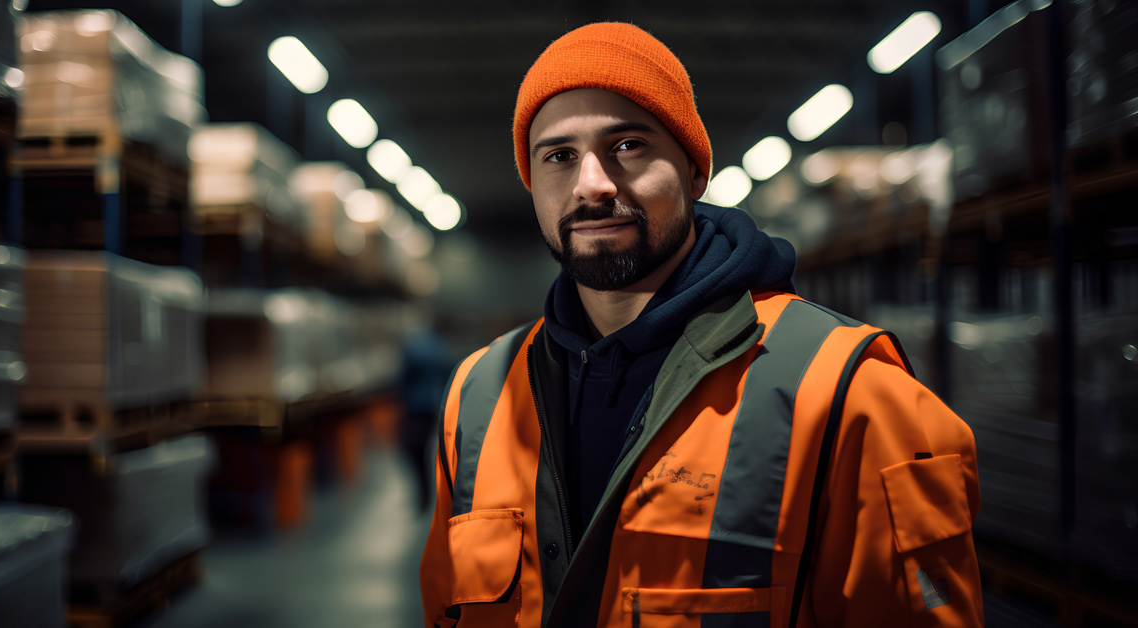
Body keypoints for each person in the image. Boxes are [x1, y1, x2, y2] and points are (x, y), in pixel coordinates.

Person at [420, 22, 982, 628]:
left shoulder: (848, 393)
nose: (593, 184)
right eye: (559, 156)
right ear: (533, 185)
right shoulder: (476, 396)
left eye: (628, 146)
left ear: (693, 171)